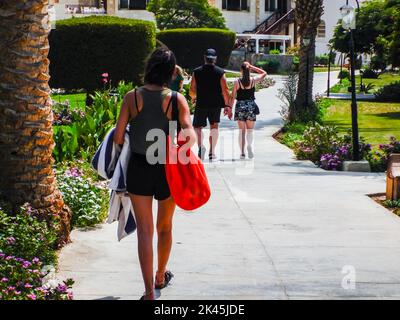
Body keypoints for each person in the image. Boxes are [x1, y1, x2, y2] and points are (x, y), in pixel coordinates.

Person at [113, 48, 197, 300]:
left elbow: (118, 137)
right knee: (165, 227)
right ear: (172, 72)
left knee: (144, 231)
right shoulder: (176, 99)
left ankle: (149, 291)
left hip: (139, 168)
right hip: (168, 169)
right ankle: (161, 275)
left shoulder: (132, 97)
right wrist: (182, 145)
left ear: (149, 67)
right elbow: (189, 132)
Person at [190, 48, 232, 161]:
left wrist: (193, 98)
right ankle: (211, 152)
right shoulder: (220, 72)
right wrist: (228, 105)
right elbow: (225, 90)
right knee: (214, 127)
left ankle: (200, 146)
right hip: (215, 104)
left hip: (201, 103)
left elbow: (192, 89)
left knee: (197, 127)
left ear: (204, 58)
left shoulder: (197, 71)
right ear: (215, 59)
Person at [229, 62, 267, 159]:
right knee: (250, 131)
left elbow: (233, 97)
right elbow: (264, 73)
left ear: (241, 70)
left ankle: (242, 153)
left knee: (242, 131)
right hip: (250, 106)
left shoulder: (237, 82)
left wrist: (229, 109)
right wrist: (252, 67)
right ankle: (249, 146)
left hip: (240, 106)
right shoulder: (253, 80)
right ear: (249, 70)